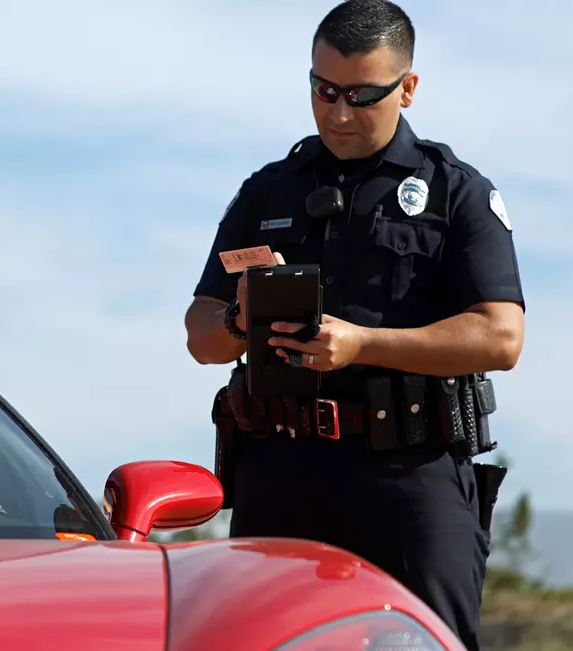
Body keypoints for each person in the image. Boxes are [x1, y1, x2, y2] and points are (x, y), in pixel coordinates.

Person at [183, 1, 524, 649]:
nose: (338, 112)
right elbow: (200, 332)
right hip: (279, 471)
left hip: (409, 474)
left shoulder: (456, 193)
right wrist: (237, 317)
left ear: (409, 88)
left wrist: (364, 343)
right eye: (324, 90)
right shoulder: (267, 192)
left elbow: (500, 337)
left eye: (362, 95)